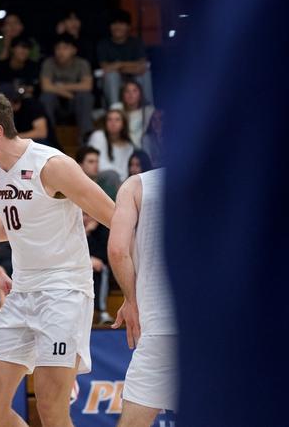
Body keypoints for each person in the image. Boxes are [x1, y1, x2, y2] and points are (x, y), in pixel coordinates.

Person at [0, 90, 115, 427]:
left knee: (51, 406)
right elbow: (13, 225)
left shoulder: (52, 165)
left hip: (64, 291)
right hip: (23, 291)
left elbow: (113, 214)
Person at [108, 169, 176, 425]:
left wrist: (131, 299)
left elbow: (117, 250)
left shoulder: (137, 185)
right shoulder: (237, 176)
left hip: (161, 324)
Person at [39, 33, 94, 137]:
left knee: (86, 97)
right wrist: (68, 93)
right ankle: (49, 137)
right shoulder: (49, 63)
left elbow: (87, 86)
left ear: (74, 50)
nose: (61, 52)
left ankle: (86, 139)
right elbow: (46, 87)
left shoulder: (82, 63)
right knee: (46, 97)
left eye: (65, 48)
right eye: (58, 48)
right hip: (56, 104)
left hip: (75, 103)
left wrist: (60, 87)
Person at [97, 9, 153, 107]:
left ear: (128, 27)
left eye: (121, 24)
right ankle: (116, 111)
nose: (117, 27)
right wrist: (131, 67)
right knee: (112, 75)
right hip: (111, 81)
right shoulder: (103, 44)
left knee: (145, 74)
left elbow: (142, 65)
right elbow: (106, 68)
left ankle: (148, 109)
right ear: (110, 26)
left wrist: (119, 64)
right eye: (114, 24)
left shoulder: (136, 42)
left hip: (134, 78)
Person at [0, 83, 60, 149]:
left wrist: (13, 137)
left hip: (45, 147)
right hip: (23, 145)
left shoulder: (32, 105)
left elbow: (41, 132)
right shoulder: (6, 114)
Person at [87, 109, 134, 182]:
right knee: (111, 175)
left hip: (120, 182)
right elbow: (100, 164)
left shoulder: (129, 146)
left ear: (123, 124)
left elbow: (125, 169)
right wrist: (118, 177)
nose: (113, 123)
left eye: (117, 120)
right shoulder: (98, 136)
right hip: (98, 178)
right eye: (109, 119)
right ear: (105, 123)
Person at [110, 81, 155, 149]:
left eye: (134, 91)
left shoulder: (148, 110)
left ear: (140, 94)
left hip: (138, 148)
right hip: (118, 145)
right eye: (127, 91)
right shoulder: (116, 107)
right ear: (123, 95)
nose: (131, 94)